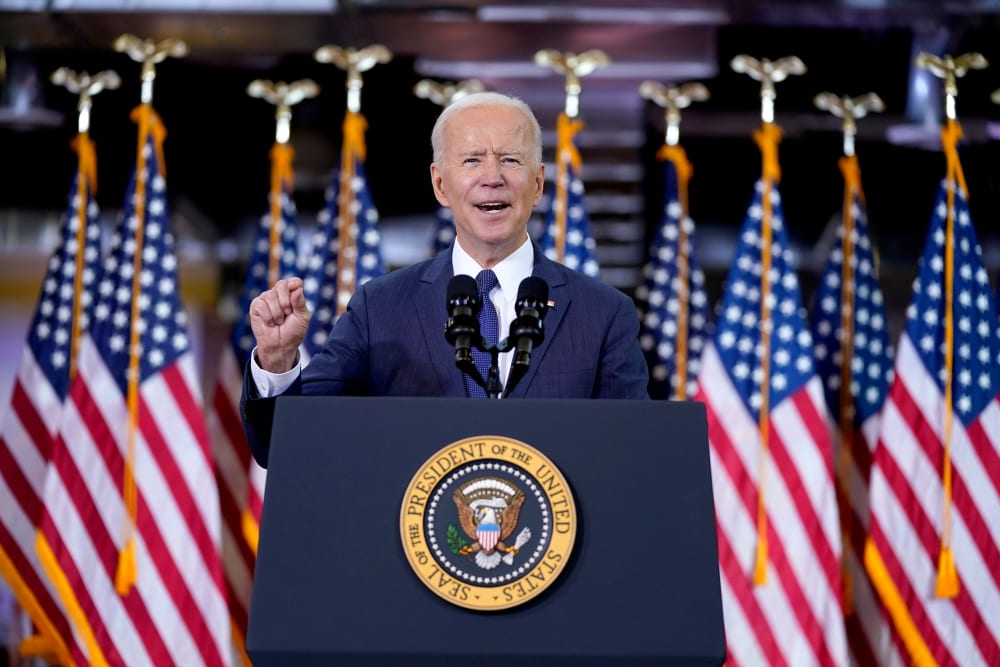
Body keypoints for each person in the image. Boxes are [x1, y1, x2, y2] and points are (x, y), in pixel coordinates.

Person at [242, 91, 648, 466]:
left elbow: (633, 456)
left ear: (538, 182)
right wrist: (277, 363)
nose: (493, 176)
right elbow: (284, 445)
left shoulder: (603, 314)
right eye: (472, 160)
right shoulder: (381, 308)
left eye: (510, 159)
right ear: (440, 184)